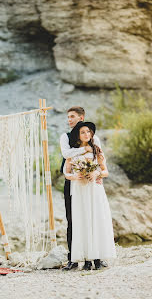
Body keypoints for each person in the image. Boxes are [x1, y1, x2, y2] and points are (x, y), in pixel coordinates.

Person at [64, 121, 116, 270]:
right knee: (82, 221)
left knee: (96, 220)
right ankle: (86, 260)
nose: (86, 134)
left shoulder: (97, 150)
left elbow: (105, 171)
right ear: (78, 136)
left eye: (88, 132)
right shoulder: (73, 152)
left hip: (94, 189)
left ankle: (98, 259)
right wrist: (75, 176)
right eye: (83, 132)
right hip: (80, 190)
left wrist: (97, 172)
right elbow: (66, 173)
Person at [60, 107, 102, 271]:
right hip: (72, 181)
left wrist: (97, 174)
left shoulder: (95, 138)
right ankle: (73, 258)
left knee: (93, 218)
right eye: (68, 117)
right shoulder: (66, 136)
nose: (69, 120)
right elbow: (65, 153)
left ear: (81, 117)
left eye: (72, 117)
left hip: (91, 183)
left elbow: (99, 158)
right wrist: (83, 149)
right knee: (72, 219)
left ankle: (96, 256)